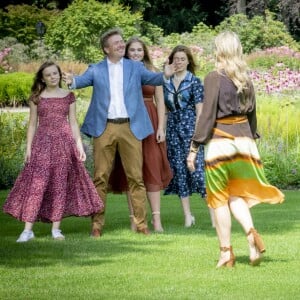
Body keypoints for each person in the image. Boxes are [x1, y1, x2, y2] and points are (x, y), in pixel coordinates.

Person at [62, 28, 175, 237]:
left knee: (136, 178)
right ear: (106, 49)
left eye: (122, 41)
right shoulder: (96, 69)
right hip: (104, 128)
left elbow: (153, 79)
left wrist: (165, 75)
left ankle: (142, 225)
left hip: (130, 128)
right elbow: (80, 81)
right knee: (100, 178)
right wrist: (71, 80)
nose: (121, 45)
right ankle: (96, 225)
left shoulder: (135, 67)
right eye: (116, 43)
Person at [187, 31, 285, 268]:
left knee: (219, 198)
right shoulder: (246, 78)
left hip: (221, 141)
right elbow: (252, 115)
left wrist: (194, 147)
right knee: (236, 195)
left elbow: (207, 115)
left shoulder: (213, 77)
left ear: (219, 50)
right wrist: (251, 140)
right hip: (245, 142)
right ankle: (251, 235)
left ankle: (226, 253)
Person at [3, 61, 104, 242]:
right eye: (48, 75)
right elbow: (32, 124)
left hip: (64, 145)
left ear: (59, 75)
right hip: (42, 145)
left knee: (59, 185)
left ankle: (56, 229)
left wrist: (79, 146)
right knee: (37, 185)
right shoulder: (36, 97)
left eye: (55, 74)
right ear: (42, 78)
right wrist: (28, 149)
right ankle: (27, 230)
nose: (52, 77)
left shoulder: (69, 96)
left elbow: (73, 123)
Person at [108, 37, 173, 232]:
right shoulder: (121, 72)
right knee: (131, 172)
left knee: (152, 169)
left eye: (139, 50)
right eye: (132, 50)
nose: (136, 53)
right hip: (128, 122)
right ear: (126, 53)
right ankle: (134, 220)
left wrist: (161, 127)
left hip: (150, 120)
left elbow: (160, 101)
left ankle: (156, 220)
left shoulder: (153, 72)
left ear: (144, 52)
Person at [163, 45, 210, 228]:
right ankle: (187, 216)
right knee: (180, 172)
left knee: (197, 172)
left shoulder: (195, 82)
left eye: (182, 59)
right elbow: (165, 110)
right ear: (171, 61)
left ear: (188, 61)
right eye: (176, 59)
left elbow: (200, 112)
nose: (179, 62)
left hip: (190, 128)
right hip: (173, 129)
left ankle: (214, 214)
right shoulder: (165, 83)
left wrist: (197, 136)